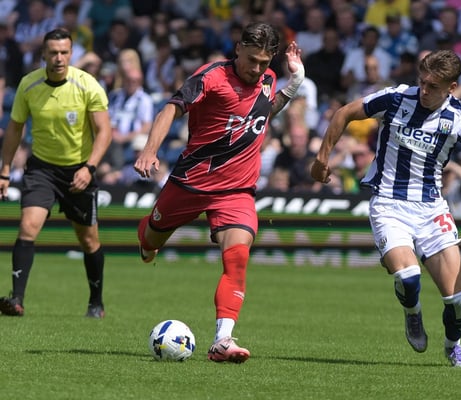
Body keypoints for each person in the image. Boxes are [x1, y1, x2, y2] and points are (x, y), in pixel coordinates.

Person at [310, 50, 461, 368]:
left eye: (433, 86)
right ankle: (412, 313)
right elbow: (344, 113)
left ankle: (453, 346)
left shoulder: (457, 118)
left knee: (456, 301)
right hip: (388, 203)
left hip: (431, 209)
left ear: (451, 88)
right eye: (422, 82)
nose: (424, 90)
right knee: (409, 276)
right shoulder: (396, 98)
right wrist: (322, 158)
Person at [134, 22, 305, 363]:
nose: (257, 68)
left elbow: (264, 111)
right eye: (251, 60)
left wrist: (295, 83)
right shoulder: (211, 77)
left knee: (237, 258)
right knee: (151, 239)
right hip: (190, 183)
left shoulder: (269, 79)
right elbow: (171, 107)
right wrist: (150, 150)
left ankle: (223, 340)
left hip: (236, 191)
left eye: (264, 62)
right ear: (238, 49)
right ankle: (148, 241)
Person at [0, 28, 112, 318]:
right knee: (28, 227)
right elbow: (15, 128)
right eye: (53, 53)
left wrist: (89, 168)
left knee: (89, 240)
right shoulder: (29, 85)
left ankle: (96, 302)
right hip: (42, 169)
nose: (59, 58)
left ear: (71, 54)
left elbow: (104, 132)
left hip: (79, 171)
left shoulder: (87, 85)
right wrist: (5, 169)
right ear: (43, 54)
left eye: (64, 52)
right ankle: (16, 300)